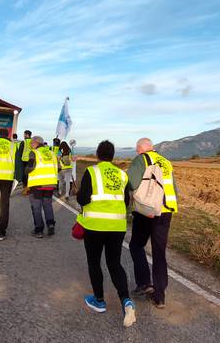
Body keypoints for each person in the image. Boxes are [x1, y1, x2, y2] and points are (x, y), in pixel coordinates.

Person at [76, 140, 136, 327]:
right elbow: (126, 201)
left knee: (94, 262)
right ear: (112, 155)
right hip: (117, 226)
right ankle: (126, 301)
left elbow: (83, 199)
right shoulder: (122, 174)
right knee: (114, 263)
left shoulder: (92, 172)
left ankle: (99, 300)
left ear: (97, 154)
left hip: (94, 225)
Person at [127, 137, 179, 309]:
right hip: (166, 211)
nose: (136, 152)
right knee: (159, 252)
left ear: (141, 148)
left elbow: (132, 183)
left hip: (147, 211)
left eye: (137, 149)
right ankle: (159, 296)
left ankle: (144, 284)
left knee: (136, 245)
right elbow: (174, 189)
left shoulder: (141, 159)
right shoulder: (166, 162)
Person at [25, 136, 58, 238]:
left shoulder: (34, 153)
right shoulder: (51, 153)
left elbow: (30, 167)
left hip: (37, 183)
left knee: (36, 207)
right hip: (50, 183)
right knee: (48, 204)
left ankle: (38, 230)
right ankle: (50, 224)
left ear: (36, 142)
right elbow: (58, 167)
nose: (30, 145)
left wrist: (25, 172)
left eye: (31, 143)